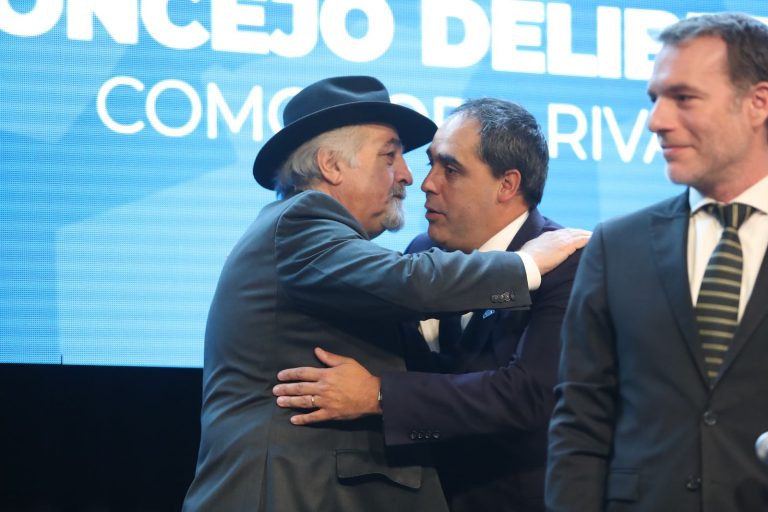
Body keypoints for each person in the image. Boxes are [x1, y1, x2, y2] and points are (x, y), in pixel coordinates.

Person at [182, 76, 588, 512]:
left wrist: (378, 394)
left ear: (506, 184)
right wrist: (525, 266)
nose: (415, 179)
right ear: (331, 165)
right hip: (285, 492)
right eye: (390, 156)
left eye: (449, 169)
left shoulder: (570, 261)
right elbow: (409, 281)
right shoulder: (304, 220)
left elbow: (530, 394)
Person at [545, 12, 768, 511]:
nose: (656, 121)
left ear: (758, 102)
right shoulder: (616, 246)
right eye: (654, 99)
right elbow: (580, 423)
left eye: (683, 98)